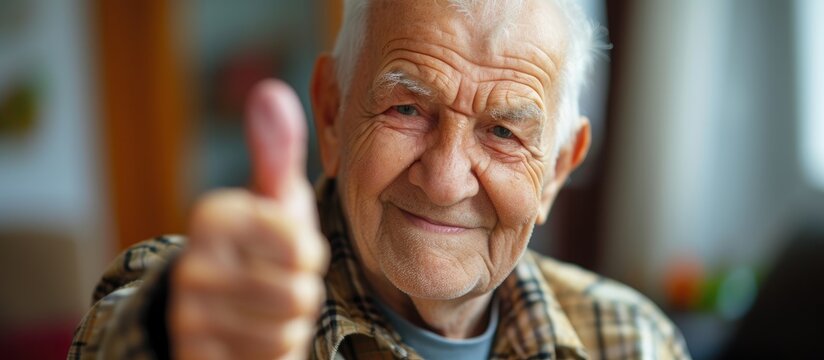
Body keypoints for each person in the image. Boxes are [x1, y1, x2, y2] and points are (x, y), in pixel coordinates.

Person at [69, 0, 691, 359]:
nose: (446, 182)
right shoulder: (214, 300)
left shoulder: (635, 342)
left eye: (503, 132)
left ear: (556, 169)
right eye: (407, 108)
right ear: (333, 113)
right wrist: (173, 332)